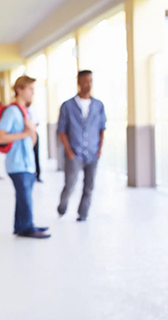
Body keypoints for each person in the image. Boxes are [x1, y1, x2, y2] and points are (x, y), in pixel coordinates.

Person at [0, 76, 50, 239]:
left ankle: (21, 225)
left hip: (27, 163)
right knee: (25, 197)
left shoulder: (25, 111)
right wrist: (25, 133)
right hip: (17, 163)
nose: (33, 93)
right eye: (30, 89)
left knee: (23, 196)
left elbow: (30, 140)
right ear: (19, 90)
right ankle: (27, 227)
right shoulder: (12, 111)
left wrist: (30, 132)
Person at [57, 70, 107, 222]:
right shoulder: (67, 106)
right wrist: (69, 152)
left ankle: (83, 213)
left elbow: (102, 129)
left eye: (90, 81)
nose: (88, 84)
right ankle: (62, 206)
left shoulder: (98, 105)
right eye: (85, 81)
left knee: (89, 186)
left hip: (92, 153)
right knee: (70, 184)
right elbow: (61, 131)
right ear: (79, 82)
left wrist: (99, 150)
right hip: (74, 153)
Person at [27, 105, 43, 182]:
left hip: (33, 134)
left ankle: (38, 174)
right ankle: (30, 174)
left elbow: (37, 122)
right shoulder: (20, 110)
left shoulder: (33, 109)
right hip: (25, 136)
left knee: (36, 155)